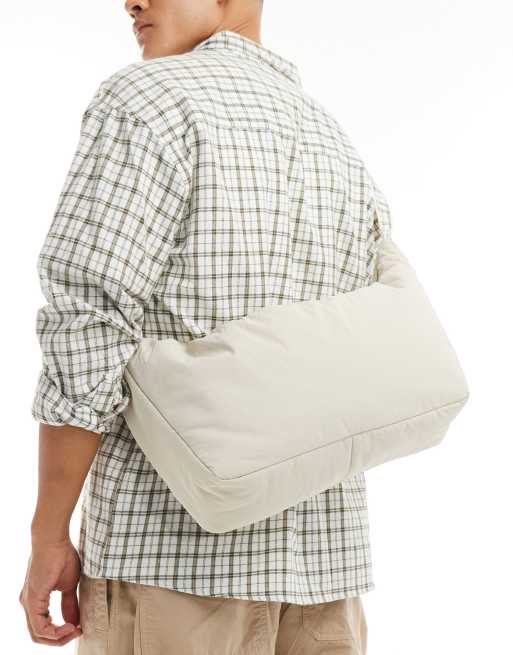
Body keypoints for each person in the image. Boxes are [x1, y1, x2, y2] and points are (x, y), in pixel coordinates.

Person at [20, 0, 393, 652]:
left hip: (173, 563)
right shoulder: (332, 138)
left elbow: (88, 323)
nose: (131, 1)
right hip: (324, 580)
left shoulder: (149, 102)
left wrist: (49, 531)